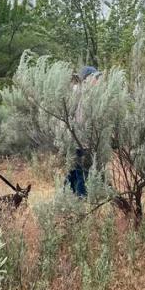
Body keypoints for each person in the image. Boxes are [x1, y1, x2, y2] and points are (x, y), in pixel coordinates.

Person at [65, 66, 100, 197]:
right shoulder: (82, 93)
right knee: (81, 172)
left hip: (77, 139)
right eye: (95, 77)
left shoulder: (83, 92)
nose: (97, 80)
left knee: (74, 170)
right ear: (86, 79)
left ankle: (66, 195)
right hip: (79, 139)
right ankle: (81, 200)